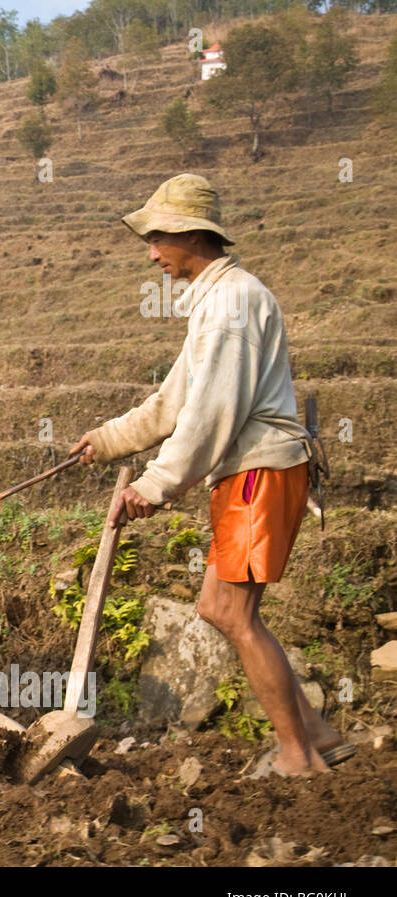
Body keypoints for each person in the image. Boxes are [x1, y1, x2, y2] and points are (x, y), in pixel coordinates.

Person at [68, 173, 354, 778]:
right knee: (216, 607)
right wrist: (107, 440)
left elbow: (210, 414)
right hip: (251, 474)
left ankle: (298, 756)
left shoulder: (230, 304)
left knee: (233, 614)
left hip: (261, 472)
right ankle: (318, 732)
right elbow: (174, 403)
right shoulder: (217, 301)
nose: (150, 254)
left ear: (193, 235)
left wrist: (154, 484)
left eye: (157, 239)